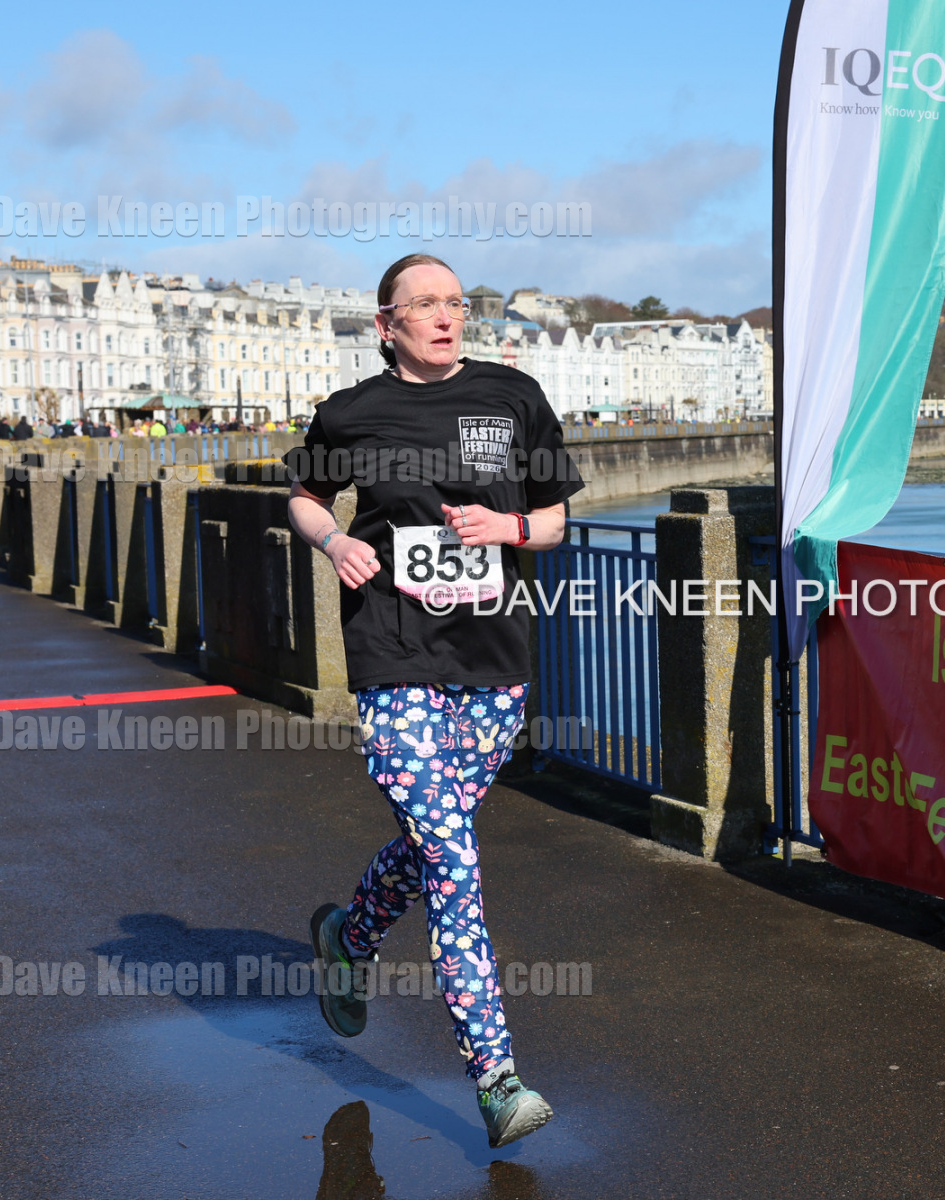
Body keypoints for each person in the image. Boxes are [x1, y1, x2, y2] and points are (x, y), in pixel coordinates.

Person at [284, 253, 582, 1149]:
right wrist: (335, 543)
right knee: (453, 858)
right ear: (387, 323)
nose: (447, 317)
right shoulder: (350, 412)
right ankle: (497, 1080)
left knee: (432, 844)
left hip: (493, 659)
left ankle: (349, 937)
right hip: (392, 651)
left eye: (456, 302)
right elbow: (304, 497)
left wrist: (510, 526)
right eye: (426, 305)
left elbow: (555, 520)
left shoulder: (513, 396)